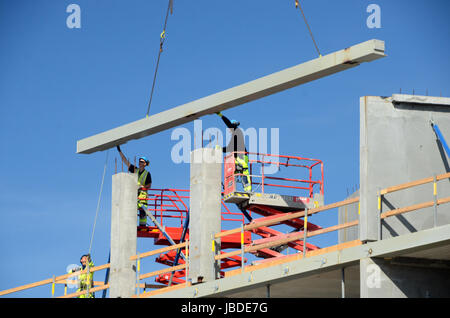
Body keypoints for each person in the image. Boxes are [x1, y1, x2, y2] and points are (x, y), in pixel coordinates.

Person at [116, 146, 152, 226]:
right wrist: (120, 151)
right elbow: (126, 162)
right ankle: (130, 225)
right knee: (131, 212)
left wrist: (142, 186)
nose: (140, 162)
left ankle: (142, 225)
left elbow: (149, 185)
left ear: (145, 164)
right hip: (134, 196)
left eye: (142, 161)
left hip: (142, 197)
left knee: (143, 213)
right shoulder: (135, 170)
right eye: (139, 161)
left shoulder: (147, 174)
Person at [216, 112, 252, 192]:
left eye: (230, 128)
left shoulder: (237, 131)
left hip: (242, 156)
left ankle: (247, 189)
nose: (229, 129)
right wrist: (220, 149)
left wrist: (221, 115)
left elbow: (229, 124)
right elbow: (230, 148)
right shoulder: (234, 136)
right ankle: (230, 188)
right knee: (233, 170)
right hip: (238, 156)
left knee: (243, 171)